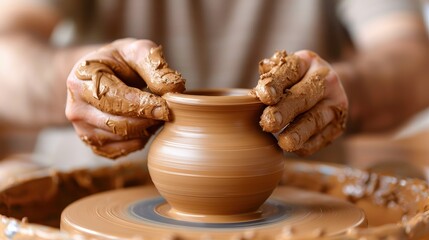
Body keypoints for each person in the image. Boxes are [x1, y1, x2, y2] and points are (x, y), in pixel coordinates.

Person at [0, 0, 428, 163]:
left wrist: (346, 86)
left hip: (298, 208)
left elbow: (414, 63)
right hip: (98, 208)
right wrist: (74, 77)